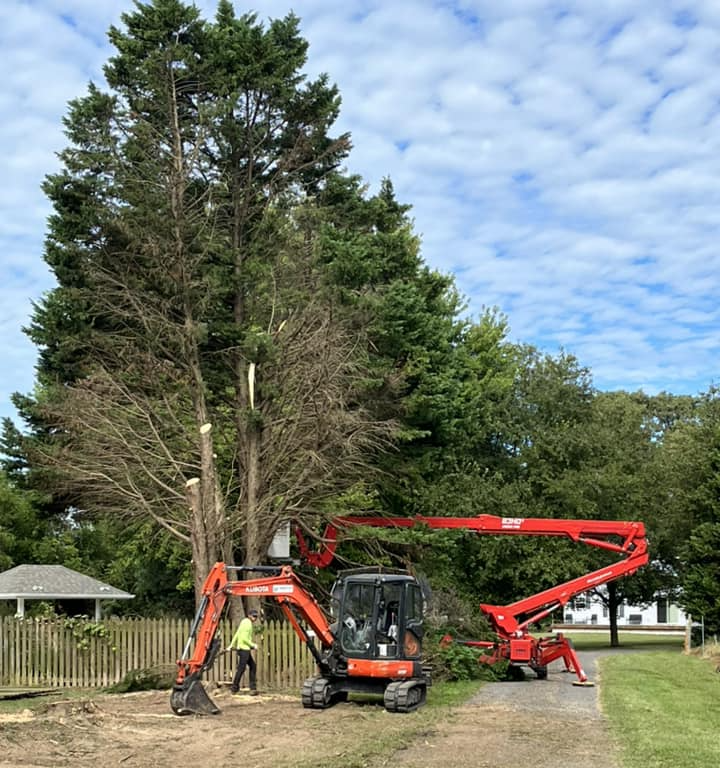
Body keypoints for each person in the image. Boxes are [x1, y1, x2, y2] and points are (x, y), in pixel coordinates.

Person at [227, 608, 259, 695]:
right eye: (254, 616)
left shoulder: (243, 622)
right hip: (244, 649)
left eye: (256, 616)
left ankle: (252, 688)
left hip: (242, 648)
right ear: (249, 615)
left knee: (252, 666)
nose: (255, 618)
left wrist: (231, 645)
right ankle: (234, 687)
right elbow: (244, 638)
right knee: (241, 668)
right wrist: (253, 645)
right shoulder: (248, 624)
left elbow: (237, 633)